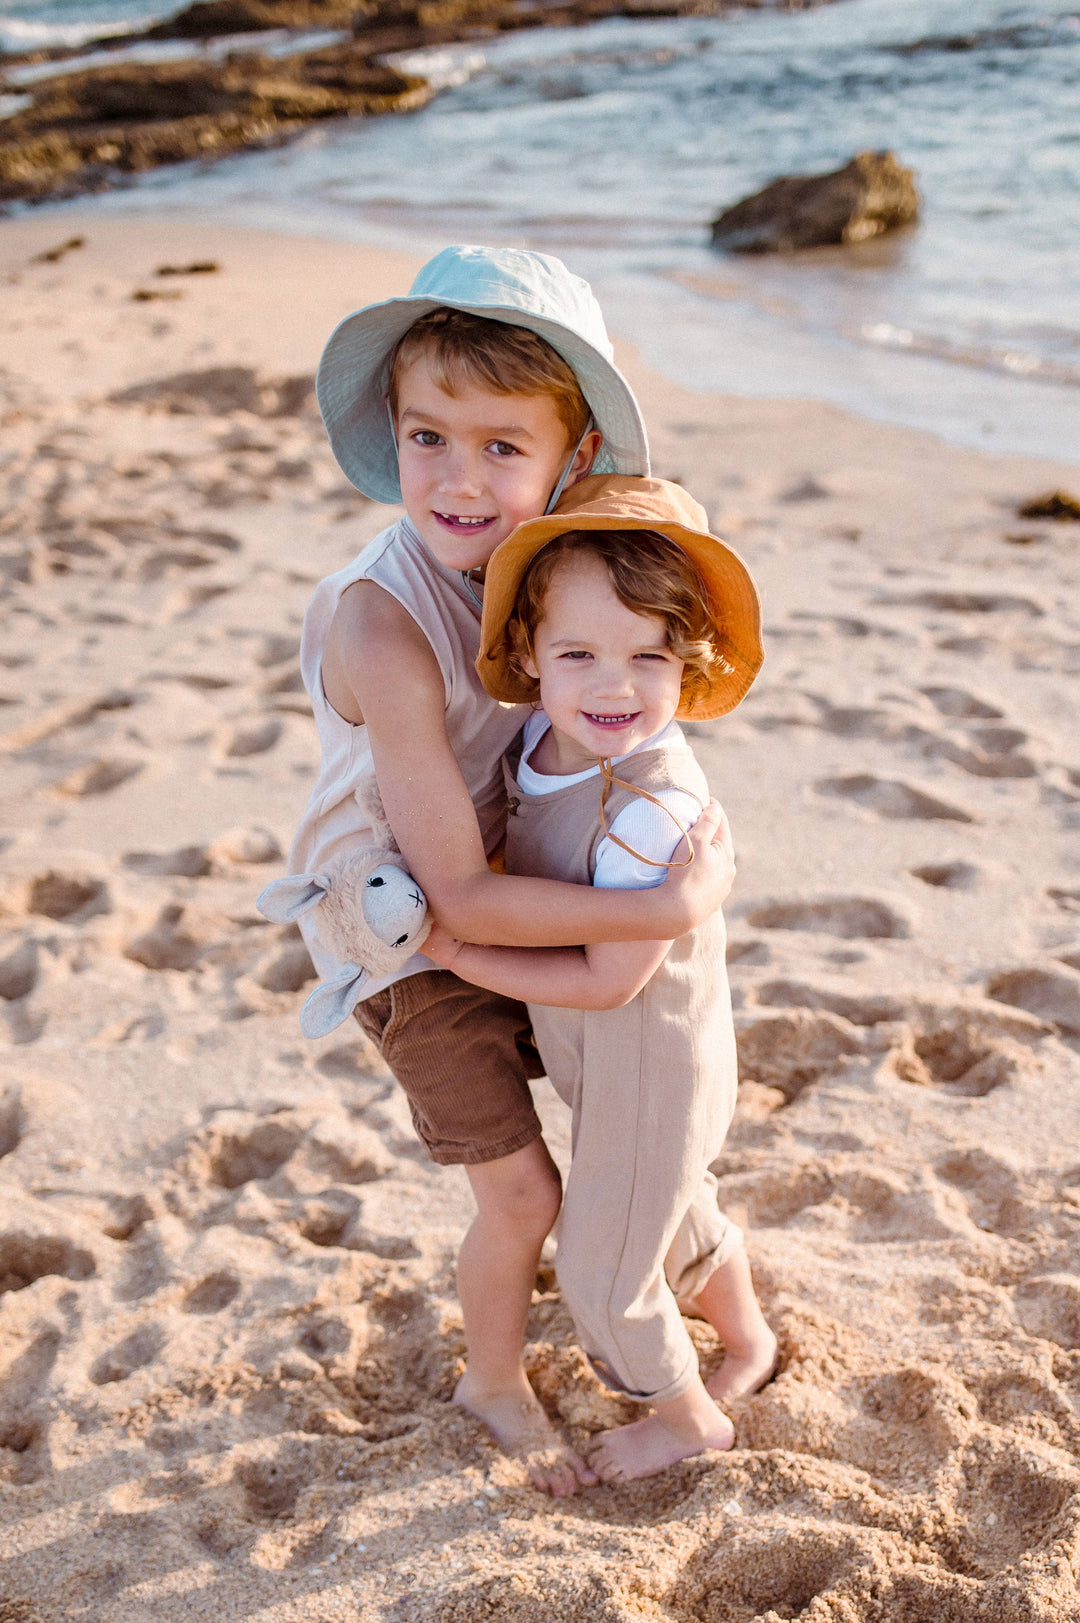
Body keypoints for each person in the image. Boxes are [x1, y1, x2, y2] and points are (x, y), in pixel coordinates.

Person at [289, 247, 737, 1495]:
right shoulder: (381, 624)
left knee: (632, 1112)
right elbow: (459, 898)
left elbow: (637, 692)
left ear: (572, 454)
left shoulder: (546, 569)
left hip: (514, 878)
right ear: (392, 431)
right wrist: (666, 903)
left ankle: (724, 1316)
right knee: (523, 1191)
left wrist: (680, 840)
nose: (459, 477)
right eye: (430, 436)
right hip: (408, 929)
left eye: (502, 445)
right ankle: (490, 1377)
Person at [421, 475, 778, 1483]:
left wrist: (460, 953)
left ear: (690, 659)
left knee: (603, 1262)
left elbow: (613, 980)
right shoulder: (545, 735)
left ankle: (683, 1419)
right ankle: (748, 1341)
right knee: (664, 1204)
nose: (612, 687)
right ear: (529, 656)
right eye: (578, 655)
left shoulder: (650, 813)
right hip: (617, 1066)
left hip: (648, 1056)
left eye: (647, 658)